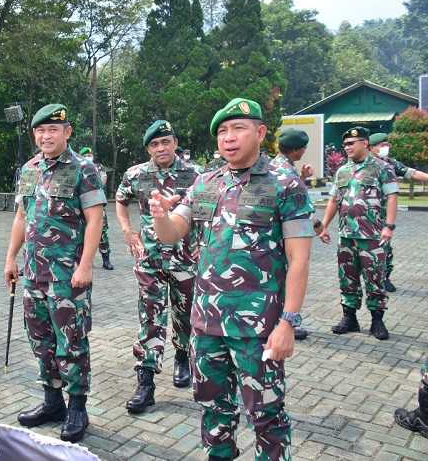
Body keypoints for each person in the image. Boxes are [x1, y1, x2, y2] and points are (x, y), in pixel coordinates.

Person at [150, 98, 314, 460]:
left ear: (260, 132)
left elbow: (298, 259)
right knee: (213, 408)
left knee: (267, 414)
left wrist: (288, 321)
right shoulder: (205, 182)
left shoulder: (284, 185)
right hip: (206, 323)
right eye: (222, 131)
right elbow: (172, 231)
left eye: (238, 128)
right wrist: (161, 215)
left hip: (258, 328)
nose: (228, 138)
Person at [4, 103, 105, 443]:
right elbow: (22, 217)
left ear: (67, 132)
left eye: (53, 130)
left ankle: (77, 406)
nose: (46, 136)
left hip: (67, 276)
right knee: (41, 340)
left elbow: (94, 219)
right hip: (33, 273)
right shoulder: (29, 169)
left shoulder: (83, 169)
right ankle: (52, 402)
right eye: (40, 131)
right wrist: (10, 259)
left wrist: (86, 264)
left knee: (72, 342)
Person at [115, 120, 197, 414]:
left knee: (185, 314)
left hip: (186, 258)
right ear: (148, 148)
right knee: (150, 316)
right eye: (154, 144)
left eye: (165, 142)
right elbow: (120, 199)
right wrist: (127, 230)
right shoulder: (135, 174)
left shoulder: (195, 174)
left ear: (175, 143)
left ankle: (182, 355)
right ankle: (146, 380)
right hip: (149, 258)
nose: (160, 148)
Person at [318, 126, 397, 340]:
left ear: (365, 144)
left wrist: (389, 226)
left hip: (372, 237)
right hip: (346, 236)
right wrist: (324, 225)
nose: (347, 148)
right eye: (345, 145)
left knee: (375, 278)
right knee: (347, 277)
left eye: (351, 144)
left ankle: (377, 321)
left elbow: (391, 196)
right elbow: (334, 200)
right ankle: (349, 318)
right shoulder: (342, 171)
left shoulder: (382, 168)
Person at [271, 128, 322, 341]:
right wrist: (319, 227)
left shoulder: (274, 166)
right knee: (285, 283)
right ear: (298, 151)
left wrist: (303, 178)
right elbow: (302, 212)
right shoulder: (288, 174)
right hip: (284, 241)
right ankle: (283, 323)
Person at [368, 132, 428, 293]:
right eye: (382, 145)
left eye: (387, 145)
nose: (386, 148)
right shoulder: (362, 163)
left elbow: (411, 172)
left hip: (382, 214)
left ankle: (384, 278)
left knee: (384, 246)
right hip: (363, 214)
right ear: (372, 148)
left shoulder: (390, 163)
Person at [79, 147, 113, 270]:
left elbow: (102, 181)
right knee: (82, 234)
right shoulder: (77, 166)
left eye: (90, 154)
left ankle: (106, 260)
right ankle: (86, 260)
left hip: (97, 205)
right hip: (81, 206)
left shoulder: (99, 167)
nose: (89, 156)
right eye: (86, 154)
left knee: (102, 233)